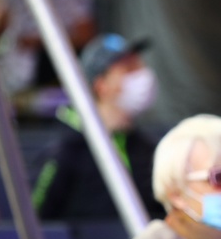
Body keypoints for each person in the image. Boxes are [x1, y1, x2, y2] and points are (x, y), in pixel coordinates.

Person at [32, 33, 162, 221]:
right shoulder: (64, 152)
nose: (143, 75)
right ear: (101, 85)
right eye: (129, 68)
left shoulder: (147, 148)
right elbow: (38, 222)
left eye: (140, 66)